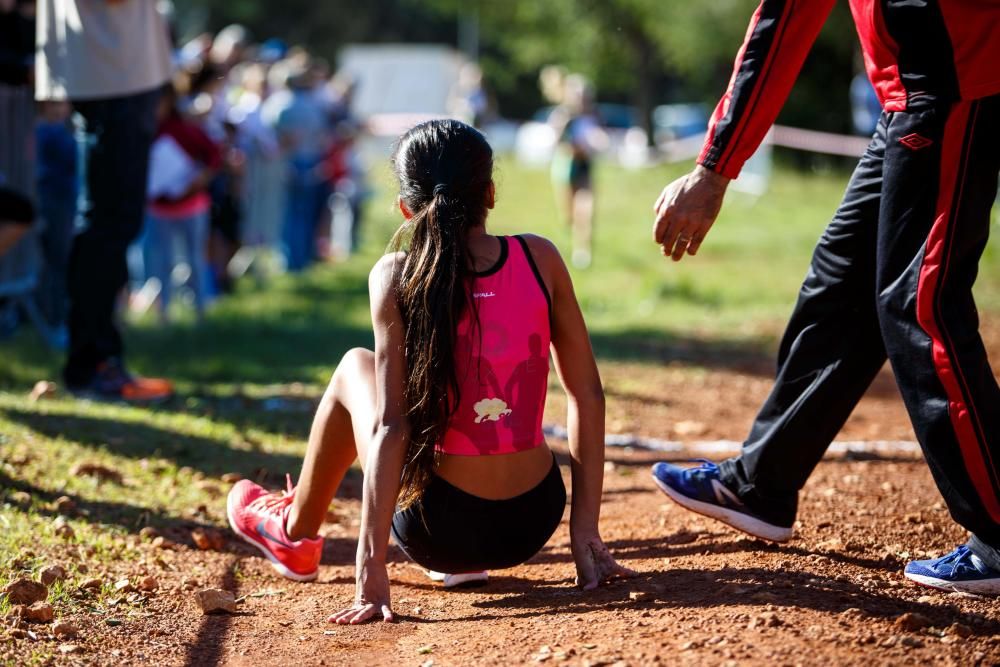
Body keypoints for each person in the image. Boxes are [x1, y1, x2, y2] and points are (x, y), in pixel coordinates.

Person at [649, 0, 1000, 595]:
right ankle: (762, 483)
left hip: (954, 82)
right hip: (906, 100)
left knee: (921, 303)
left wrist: (714, 169)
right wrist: (718, 164)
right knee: (841, 284)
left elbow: (780, 27)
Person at [227, 120, 633, 623]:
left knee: (356, 365)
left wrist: (369, 565)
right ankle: (462, 562)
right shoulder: (541, 258)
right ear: (490, 193)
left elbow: (390, 425)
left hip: (434, 528)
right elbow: (587, 395)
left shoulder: (394, 274)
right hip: (532, 521)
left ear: (405, 207)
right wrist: (585, 531)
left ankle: (293, 532)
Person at [36, 0, 174, 401]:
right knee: (107, 225)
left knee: (112, 224)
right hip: (111, 72)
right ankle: (92, 363)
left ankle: (102, 358)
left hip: (115, 69)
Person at [143, 84, 221, 322]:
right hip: (159, 209)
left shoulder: (183, 129)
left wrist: (200, 179)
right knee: (161, 262)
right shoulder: (146, 131)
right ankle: (163, 315)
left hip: (192, 207)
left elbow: (214, 155)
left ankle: (200, 312)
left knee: (194, 260)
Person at [548, 74, 607, 269]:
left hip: (585, 169)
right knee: (569, 216)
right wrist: (572, 147)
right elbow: (555, 143)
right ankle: (570, 243)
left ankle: (583, 252)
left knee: (586, 211)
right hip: (565, 170)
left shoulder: (595, 115)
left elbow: (600, 137)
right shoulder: (563, 116)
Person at [35, 100, 77, 336]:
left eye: (62, 105)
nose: (59, 110)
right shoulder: (49, 132)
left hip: (61, 204)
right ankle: (55, 319)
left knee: (57, 265)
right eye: (53, 105)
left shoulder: (58, 131)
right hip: (54, 204)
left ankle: (56, 318)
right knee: (56, 265)